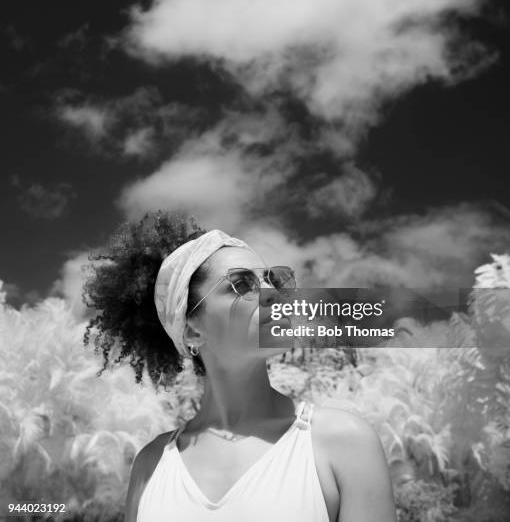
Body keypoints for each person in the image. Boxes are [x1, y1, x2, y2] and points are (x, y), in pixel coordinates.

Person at [83, 211, 397, 522]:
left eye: (272, 279)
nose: (272, 292)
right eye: (241, 284)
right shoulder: (151, 465)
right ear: (192, 330)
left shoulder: (343, 442)